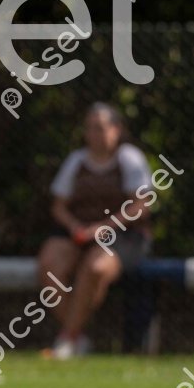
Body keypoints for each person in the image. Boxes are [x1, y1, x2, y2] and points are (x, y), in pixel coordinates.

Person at [37, 102, 153, 360]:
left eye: (100, 127)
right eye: (89, 128)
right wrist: (74, 227)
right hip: (79, 232)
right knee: (49, 263)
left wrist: (104, 227)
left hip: (123, 234)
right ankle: (77, 337)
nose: (94, 134)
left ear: (117, 129)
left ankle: (67, 339)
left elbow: (141, 206)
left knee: (96, 268)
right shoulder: (77, 160)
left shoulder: (129, 158)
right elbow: (58, 206)